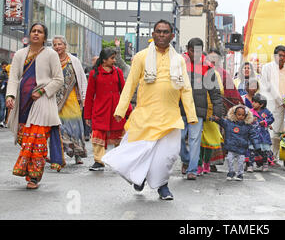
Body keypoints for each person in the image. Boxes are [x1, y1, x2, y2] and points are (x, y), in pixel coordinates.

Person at [101, 20, 197, 200]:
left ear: (172, 36)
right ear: (153, 34)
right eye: (158, 32)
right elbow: (130, 84)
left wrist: (191, 115)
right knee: (140, 151)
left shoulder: (178, 60)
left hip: (170, 116)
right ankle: (142, 178)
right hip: (145, 115)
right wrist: (120, 110)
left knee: (167, 156)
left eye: (165, 32)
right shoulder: (141, 56)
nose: (162, 35)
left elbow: (185, 88)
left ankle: (162, 185)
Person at [6, 23, 64, 189]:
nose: (36, 34)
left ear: (44, 37)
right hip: (23, 104)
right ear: (29, 34)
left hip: (42, 102)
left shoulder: (51, 54)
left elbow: (58, 79)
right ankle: (28, 170)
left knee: (37, 141)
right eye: (33, 31)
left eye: (40, 32)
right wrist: (11, 95)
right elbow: (14, 78)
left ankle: (34, 177)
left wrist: (42, 91)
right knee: (26, 141)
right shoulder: (20, 54)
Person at [180, 38, 223, 180]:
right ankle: (186, 160)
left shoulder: (207, 66)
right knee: (178, 139)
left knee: (195, 139)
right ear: (188, 49)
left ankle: (192, 169)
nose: (195, 54)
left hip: (198, 109)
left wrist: (217, 111)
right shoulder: (179, 62)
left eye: (198, 51)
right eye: (193, 51)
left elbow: (215, 91)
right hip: (180, 108)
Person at [84, 48, 128, 171]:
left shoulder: (118, 72)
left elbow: (124, 92)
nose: (114, 60)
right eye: (112, 58)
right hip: (100, 109)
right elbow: (89, 95)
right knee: (98, 134)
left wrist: (127, 111)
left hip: (116, 110)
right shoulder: (94, 73)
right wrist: (87, 115)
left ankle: (118, 161)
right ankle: (99, 161)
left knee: (118, 135)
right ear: (104, 60)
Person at [52, 36, 88, 165]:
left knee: (75, 128)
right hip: (55, 102)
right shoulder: (52, 60)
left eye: (59, 44)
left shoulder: (74, 61)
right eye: (55, 45)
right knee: (60, 128)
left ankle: (78, 154)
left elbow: (82, 79)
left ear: (65, 45)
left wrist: (84, 98)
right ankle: (59, 155)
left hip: (72, 99)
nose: (57, 47)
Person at [260, 45, 285, 164]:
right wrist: (283, 102)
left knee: (277, 133)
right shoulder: (267, 67)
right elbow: (269, 86)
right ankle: (264, 156)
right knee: (268, 132)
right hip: (269, 103)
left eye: (284, 56)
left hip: (282, 106)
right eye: (280, 55)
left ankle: (273, 157)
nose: (282, 58)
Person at [211, 105, 258, 181]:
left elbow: (253, 135)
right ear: (234, 114)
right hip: (231, 147)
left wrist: (256, 145)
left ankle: (240, 174)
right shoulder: (229, 123)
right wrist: (216, 119)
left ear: (246, 116)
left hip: (241, 149)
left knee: (240, 162)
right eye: (239, 114)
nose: (241, 117)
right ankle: (231, 172)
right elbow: (222, 121)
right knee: (229, 160)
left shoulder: (248, 126)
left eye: (243, 115)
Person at [248, 94, 274, 172]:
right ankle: (250, 165)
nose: (253, 103)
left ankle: (265, 163)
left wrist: (265, 122)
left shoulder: (266, 111)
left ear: (261, 104)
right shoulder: (250, 112)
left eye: (255, 102)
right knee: (252, 151)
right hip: (253, 135)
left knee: (264, 151)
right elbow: (246, 120)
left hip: (263, 135)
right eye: (253, 101)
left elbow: (272, 118)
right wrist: (250, 121)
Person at [0, 61, 9, 127]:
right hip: (2, 92)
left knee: (7, 107)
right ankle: (1, 121)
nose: (4, 67)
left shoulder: (9, 73)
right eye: (3, 66)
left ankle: (6, 121)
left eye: (5, 66)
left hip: (8, 93)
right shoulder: (1, 73)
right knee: (2, 106)